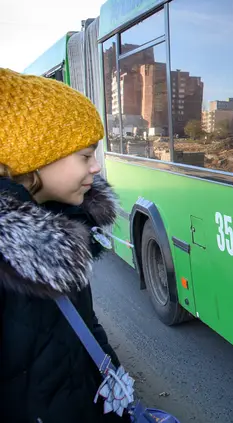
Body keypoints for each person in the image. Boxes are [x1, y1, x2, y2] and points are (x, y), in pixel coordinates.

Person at [0, 68, 128, 422]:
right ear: (34, 157)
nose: (96, 168)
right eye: (85, 156)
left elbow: (85, 328)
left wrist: (118, 395)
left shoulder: (60, 230)